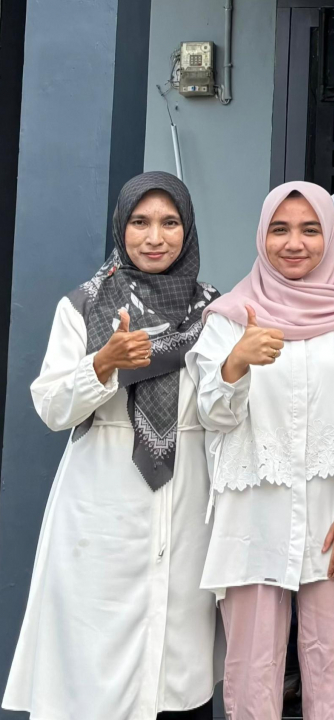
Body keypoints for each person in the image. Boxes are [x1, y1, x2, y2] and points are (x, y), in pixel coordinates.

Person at [2, 173, 219, 720]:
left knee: (176, 670)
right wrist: (101, 365)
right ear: (120, 227)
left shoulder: (214, 311)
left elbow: (223, 410)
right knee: (94, 669)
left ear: (188, 230)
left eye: (169, 222)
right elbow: (52, 408)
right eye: (139, 222)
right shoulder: (83, 306)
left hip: (187, 501)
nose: (155, 237)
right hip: (99, 507)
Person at [188, 182, 334, 720]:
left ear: (330, 237)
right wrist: (236, 363)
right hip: (252, 516)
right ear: (262, 237)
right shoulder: (229, 318)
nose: (294, 243)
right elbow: (212, 417)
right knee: (250, 671)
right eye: (279, 230)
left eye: (310, 230)